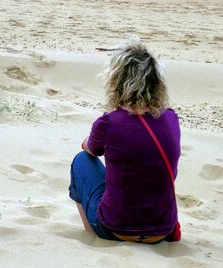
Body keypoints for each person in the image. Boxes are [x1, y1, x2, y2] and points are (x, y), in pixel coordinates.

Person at [69, 40, 181, 244]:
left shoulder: (109, 123)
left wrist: (89, 142)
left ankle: (92, 235)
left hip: (115, 229)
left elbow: (91, 150)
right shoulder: (171, 119)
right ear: (157, 83)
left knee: (81, 161)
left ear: (117, 82)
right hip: (162, 230)